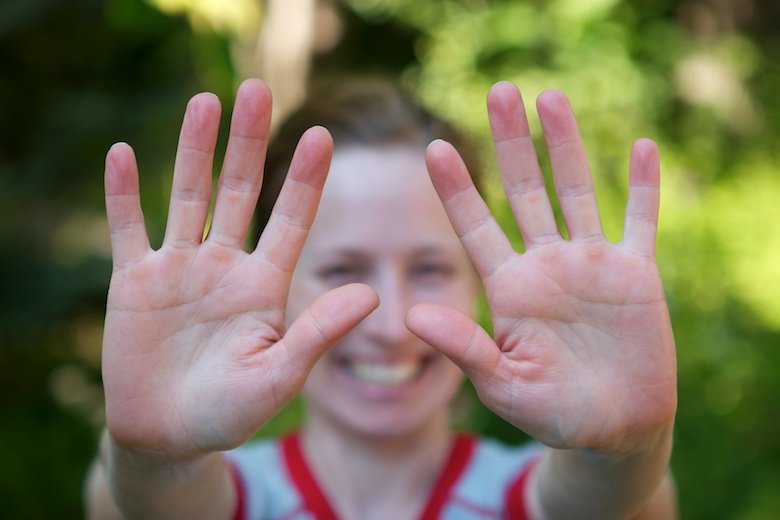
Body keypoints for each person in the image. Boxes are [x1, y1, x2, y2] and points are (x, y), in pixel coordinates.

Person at [86, 77, 678, 519]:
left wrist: (626, 450)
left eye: (430, 269)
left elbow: (613, 496)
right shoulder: (229, 497)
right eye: (344, 268)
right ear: (273, 289)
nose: (392, 324)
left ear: (480, 283)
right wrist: (156, 459)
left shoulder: (534, 497)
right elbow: (151, 501)